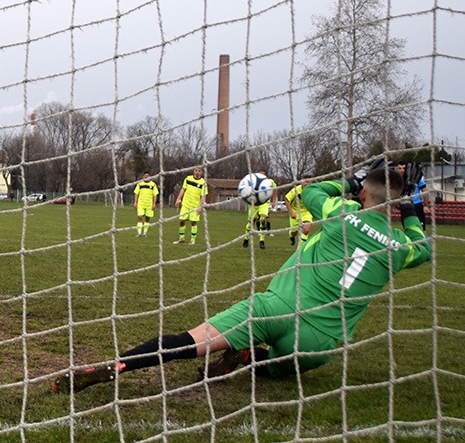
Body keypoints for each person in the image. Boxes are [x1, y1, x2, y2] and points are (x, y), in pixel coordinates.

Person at [52, 165, 431, 394]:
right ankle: (253, 360)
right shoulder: (400, 249)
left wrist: (348, 183)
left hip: (275, 308)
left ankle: (119, 366)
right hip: (319, 341)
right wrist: (412, 210)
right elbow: (424, 248)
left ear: (364, 192)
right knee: (281, 368)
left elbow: (310, 191)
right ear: (396, 204)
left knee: (192, 342)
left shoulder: (340, 210)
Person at [242, 171, 277, 250]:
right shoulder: (252, 181)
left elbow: (275, 190)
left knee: (262, 219)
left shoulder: (269, 182)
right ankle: (246, 238)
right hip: (253, 205)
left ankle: (262, 241)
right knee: (251, 223)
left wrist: (274, 200)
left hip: (264, 204)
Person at [173, 167, 208, 245]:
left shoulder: (203, 183)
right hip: (185, 204)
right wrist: (178, 199)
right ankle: (181, 238)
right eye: (196, 170)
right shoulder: (188, 179)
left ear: (201, 172)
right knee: (181, 220)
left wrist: (200, 207)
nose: (197, 172)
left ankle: (192, 240)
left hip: (195, 206)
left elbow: (203, 196)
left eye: (199, 171)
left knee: (193, 222)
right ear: (193, 171)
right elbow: (183, 189)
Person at [396, 162, 430, 231]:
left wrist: (426, 205)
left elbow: (425, 191)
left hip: (416, 205)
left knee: (422, 229)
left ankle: (423, 241)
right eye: (399, 168)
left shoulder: (416, 178)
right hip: (405, 206)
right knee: (408, 229)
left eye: (404, 168)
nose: (401, 170)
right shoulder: (397, 180)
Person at [284, 178, 313, 246]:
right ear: (301, 182)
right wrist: (291, 212)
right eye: (304, 181)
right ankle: (291, 235)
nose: (306, 183)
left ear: (311, 182)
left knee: (306, 230)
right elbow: (286, 199)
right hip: (296, 212)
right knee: (294, 232)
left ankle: (300, 250)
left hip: (307, 212)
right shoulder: (296, 190)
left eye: (308, 181)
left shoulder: (313, 190)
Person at [133, 171, 159, 237]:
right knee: (140, 217)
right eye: (145, 175)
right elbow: (136, 193)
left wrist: (154, 203)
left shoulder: (153, 184)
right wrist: (135, 202)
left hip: (149, 204)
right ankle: (139, 233)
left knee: (147, 219)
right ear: (143, 177)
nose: (146, 177)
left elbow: (155, 194)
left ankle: (145, 233)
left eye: (148, 175)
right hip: (141, 204)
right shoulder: (140, 184)